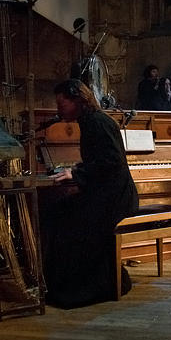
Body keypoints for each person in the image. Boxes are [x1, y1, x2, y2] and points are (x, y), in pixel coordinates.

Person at [43, 79, 139, 308]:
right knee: (60, 212)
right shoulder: (91, 121)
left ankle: (84, 289)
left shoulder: (96, 122)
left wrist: (76, 173)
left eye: (61, 103)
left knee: (67, 222)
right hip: (109, 193)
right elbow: (101, 160)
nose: (58, 109)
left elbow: (112, 161)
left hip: (116, 198)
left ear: (77, 99)